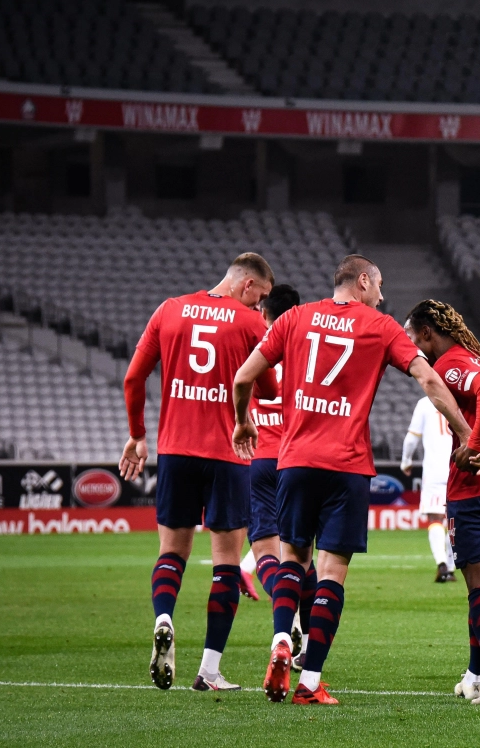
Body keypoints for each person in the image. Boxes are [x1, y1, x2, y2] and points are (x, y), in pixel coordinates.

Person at [231, 256, 473, 705]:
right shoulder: (381, 327)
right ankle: (309, 683)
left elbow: (243, 375)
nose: (382, 295)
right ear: (362, 281)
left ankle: (281, 639)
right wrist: (464, 432)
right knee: (332, 573)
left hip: (295, 460)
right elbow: (428, 379)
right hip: (347, 465)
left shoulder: (296, 319)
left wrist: (243, 422)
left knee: (292, 558)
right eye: (379, 285)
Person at [120, 252, 274, 693]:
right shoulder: (247, 324)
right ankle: (208, 672)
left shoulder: (169, 310)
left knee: (172, 552)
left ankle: (164, 617)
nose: (258, 306)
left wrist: (137, 435)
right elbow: (270, 387)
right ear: (247, 287)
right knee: (226, 563)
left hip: (174, 450)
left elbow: (134, 379)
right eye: (259, 297)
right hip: (228, 454)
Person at [405, 299, 480, 706]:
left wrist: (473, 444)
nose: (411, 348)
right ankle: (475, 675)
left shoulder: (450, 364)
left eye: (412, 338)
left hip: (479, 485)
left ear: (426, 333)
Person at [236, 284, 317, 668]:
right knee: (303, 555)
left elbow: (236, 388)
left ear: (264, 314)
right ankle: (305, 631)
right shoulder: (306, 351)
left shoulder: (255, 351)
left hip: (256, 460)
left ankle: (286, 620)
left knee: (265, 553)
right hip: (296, 461)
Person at [401, 395, 458, 582]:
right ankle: (450, 567)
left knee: (435, 518)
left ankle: (441, 563)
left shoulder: (425, 403)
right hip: (457, 468)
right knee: (453, 521)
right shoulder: (460, 400)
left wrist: (406, 461)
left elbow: (411, 438)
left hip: (434, 472)